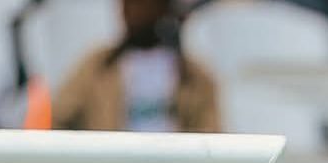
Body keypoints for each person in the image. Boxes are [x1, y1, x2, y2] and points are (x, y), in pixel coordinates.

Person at [52, 0, 220, 134]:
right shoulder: (98, 66)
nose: (126, 10)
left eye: (138, 2)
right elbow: (58, 118)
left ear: (161, 7)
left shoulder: (193, 76)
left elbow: (210, 137)